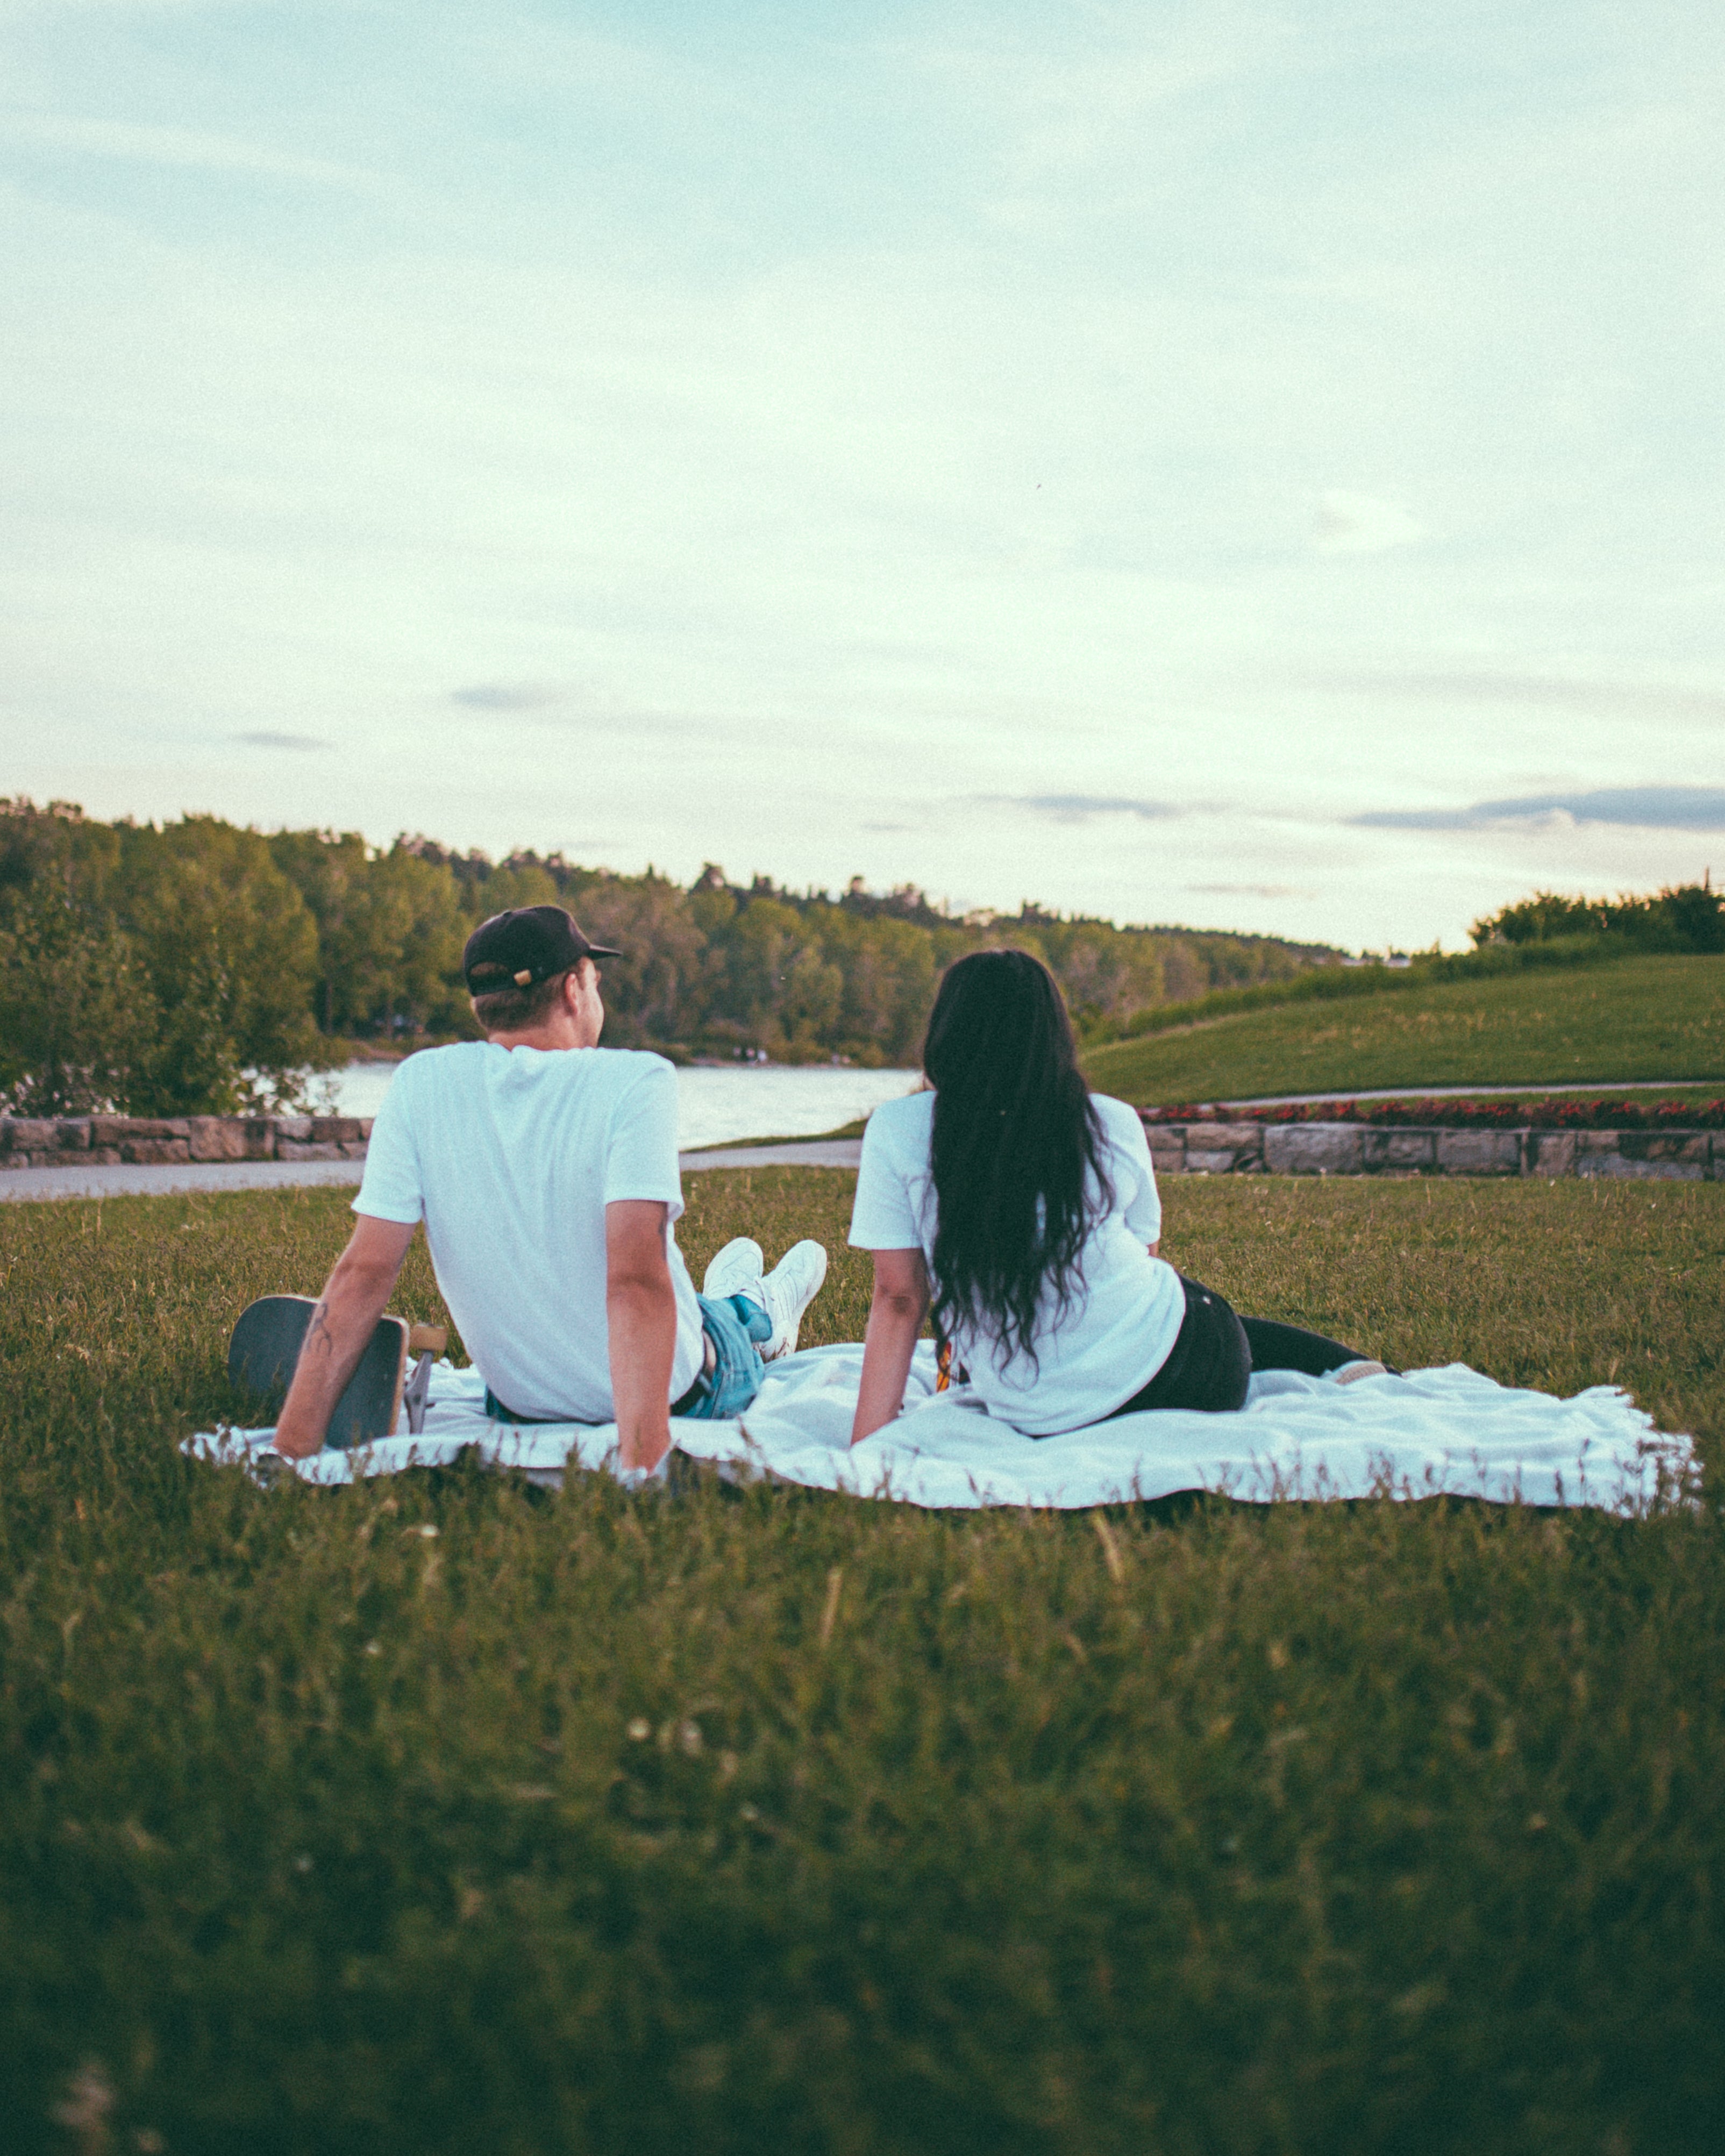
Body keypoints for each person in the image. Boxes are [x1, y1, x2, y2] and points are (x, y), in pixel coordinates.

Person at [270, 904, 828, 1480]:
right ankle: (758, 1310)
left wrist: (290, 1452)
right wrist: (643, 1466)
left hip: (522, 1406)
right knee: (724, 1327)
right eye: (595, 980)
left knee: (701, 1309)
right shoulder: (635, 1081)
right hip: (682, 1394)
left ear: (481, 1005)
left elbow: (363, 1272)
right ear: (572, 989)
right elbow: (636, 1278)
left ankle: (740, 1299)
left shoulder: (419, 1083)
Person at [847, 949, 1384, 1445]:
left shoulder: (898, 1128)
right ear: (1051, 1034)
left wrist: (867, 1443)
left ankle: (1344, 1365)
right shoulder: (1108, 1119)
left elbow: (899, 1296)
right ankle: (1349, 1365)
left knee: (1173, 1300)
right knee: (1177, 1300)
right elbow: (1143, 1255)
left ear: (946, 1034)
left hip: (1045, 1407)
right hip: (1193, 1376)